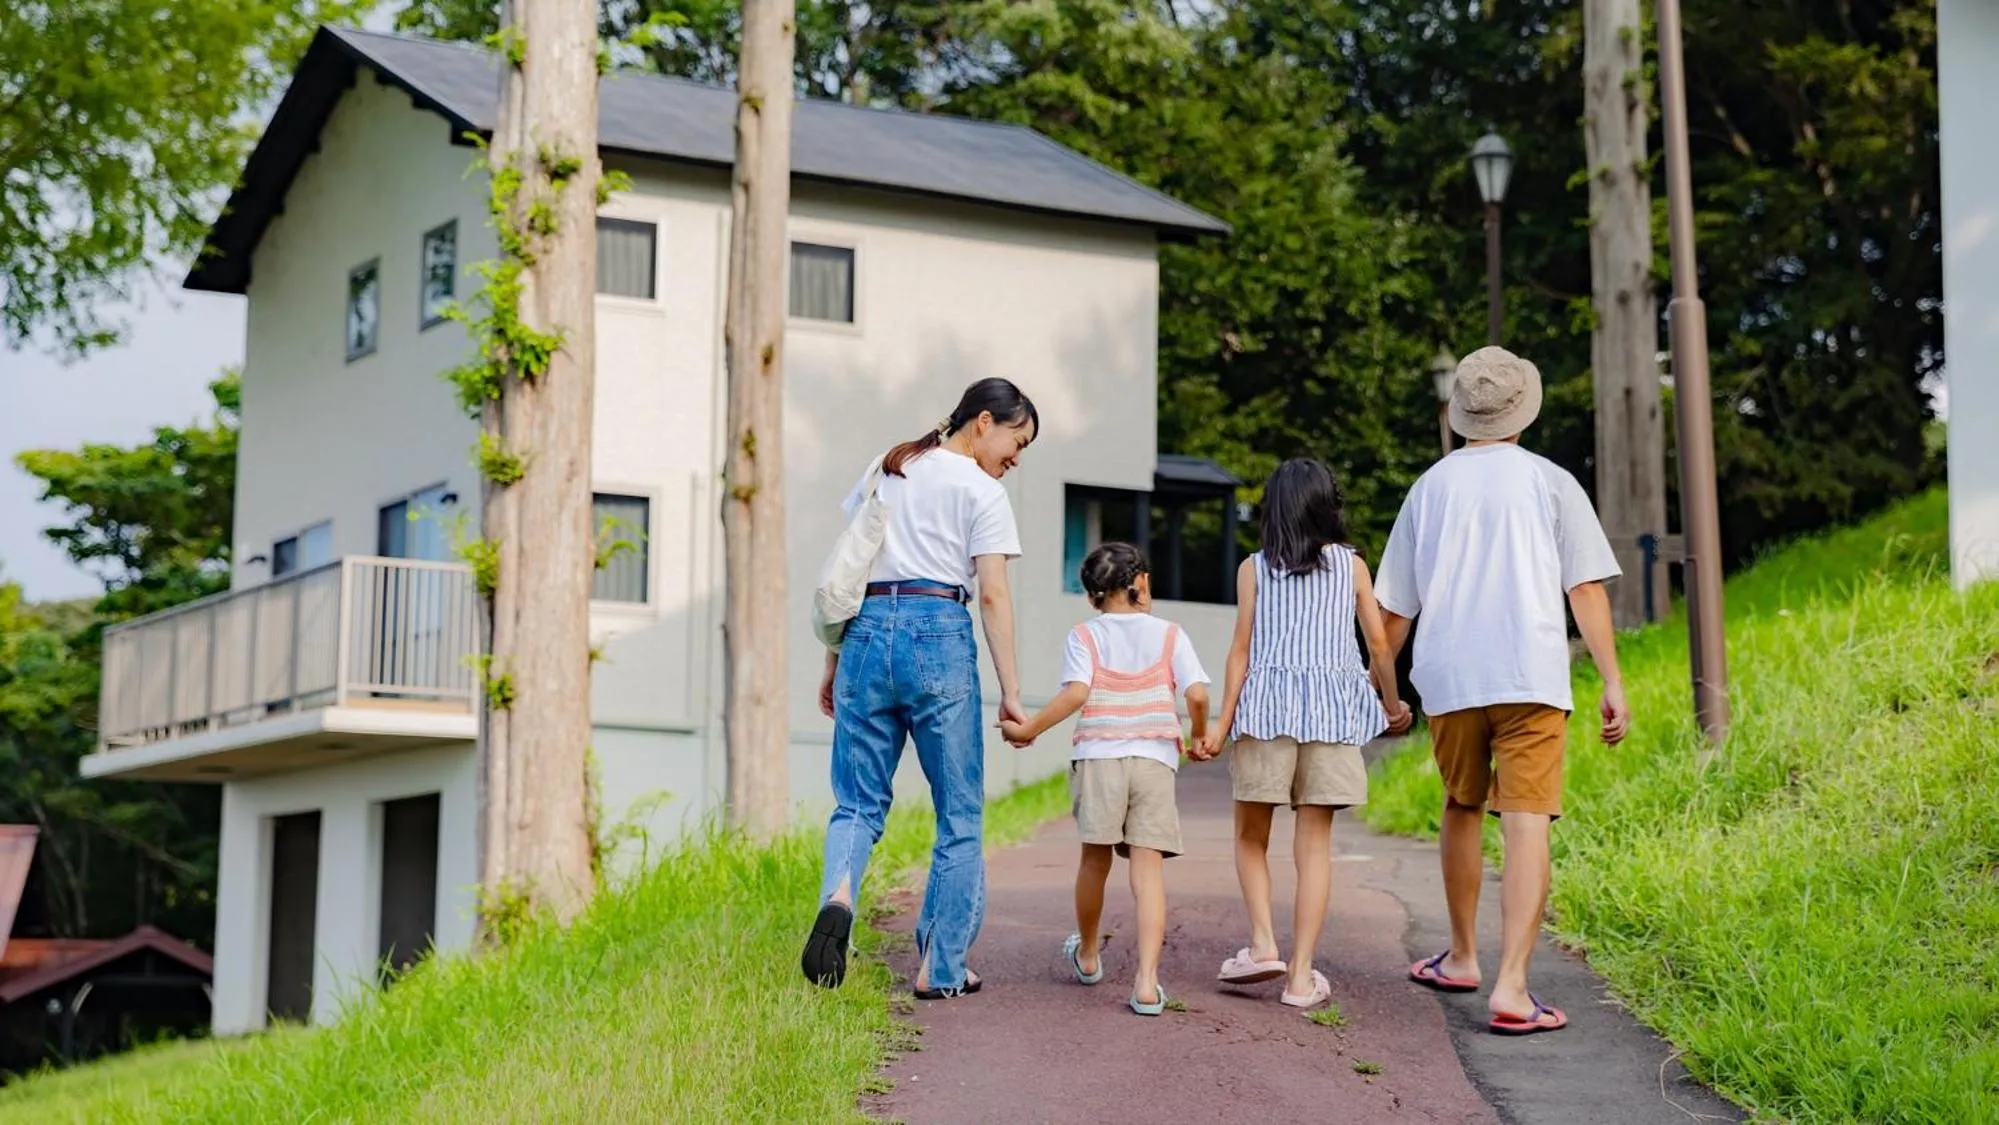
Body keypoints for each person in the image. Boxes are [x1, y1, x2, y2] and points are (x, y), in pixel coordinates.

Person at [1374, 346, 1630, 1037]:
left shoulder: (1429, 488)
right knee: (1526, 822)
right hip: (1531, 677)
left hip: (1452, 677)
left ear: (1460, 415)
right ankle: (1512, 986)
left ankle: (1460, 955)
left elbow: (1393, 610)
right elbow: (1584, 588)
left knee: (1460, 803)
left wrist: (1376, 693)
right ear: (1523, 412)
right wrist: (1611, 680)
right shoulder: (1550, 482)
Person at [801, 378, 1037, 1000]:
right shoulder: (982, 493)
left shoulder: (891, 466)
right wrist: (1012, 690)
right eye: (1017, 441)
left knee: (855, 804)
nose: (1016, 458)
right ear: (984, 422)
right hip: (938, 634)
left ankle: (840, 895)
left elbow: (851, 570)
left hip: (867, 634)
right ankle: (942, 966)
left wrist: (833, 663)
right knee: (958, 813)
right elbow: (991, 594)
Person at [1198, 459, 1413, 1011]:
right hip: (1332, 715)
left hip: (1266, 710)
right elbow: (1380, 646)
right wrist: (1391, 706)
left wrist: (1222, 724)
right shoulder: (1352, 568)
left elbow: (1240, 650)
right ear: (1326, 505)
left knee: (1251, 836)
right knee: (1314, 845)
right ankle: (1299, 977)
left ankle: (1263, 943)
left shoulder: (1253, 569)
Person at [998, 543, 1210, 1016]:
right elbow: (1196, 694)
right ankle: (1148, 983)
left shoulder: (1084, 636)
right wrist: (1198, 735)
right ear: (1143, 583)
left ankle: (1090, 955)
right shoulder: (1171, 635)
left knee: (1095, 860)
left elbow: (1076, 692)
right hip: (1153, 759)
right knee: (1148, 868)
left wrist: (1028, 729)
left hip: (1099, 758)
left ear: (1093, 598)